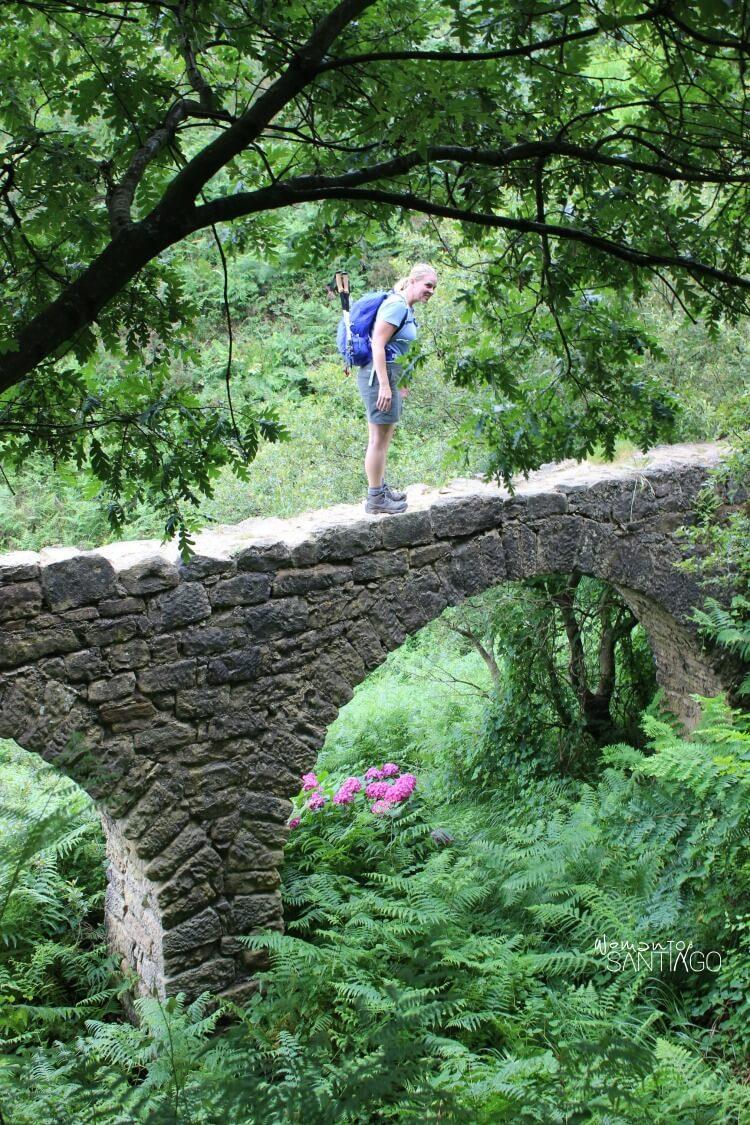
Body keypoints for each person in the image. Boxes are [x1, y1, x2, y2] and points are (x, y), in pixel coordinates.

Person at [357, 263, 438, 514]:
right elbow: (378, 344)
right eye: (428, 285)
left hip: (390, 374)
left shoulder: (406, 307)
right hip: (380, 375)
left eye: (434, 287)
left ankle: (380, 489)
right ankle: (375, 498)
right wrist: (385, 385)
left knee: (381, 438)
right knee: (378, 440)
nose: (431, 291)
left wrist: (402, 383)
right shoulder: (397, 306)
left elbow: (401, 348)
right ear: (412, 281)